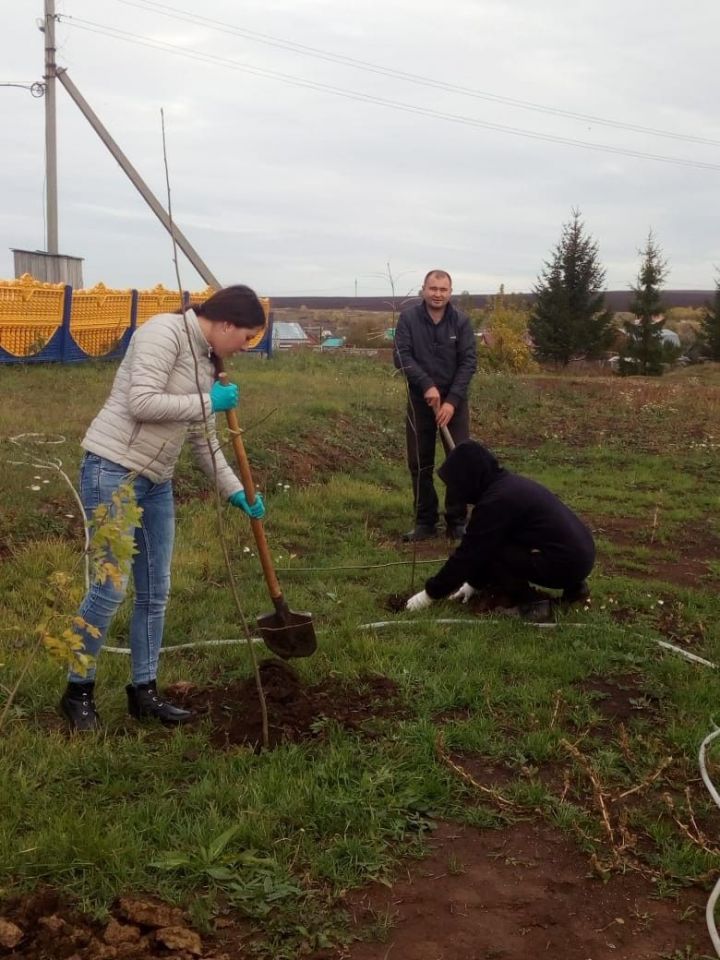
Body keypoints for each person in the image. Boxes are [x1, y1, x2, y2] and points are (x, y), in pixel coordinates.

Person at [59, 285, 268, 732]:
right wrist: (208, 401)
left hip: (156, 481)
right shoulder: (163, 333)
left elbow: (202, 438)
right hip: (113, 471)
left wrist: (236, 491)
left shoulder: (208, 360)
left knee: (155, 589)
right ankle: (78, 691)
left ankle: (144, 692)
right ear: (227, 323)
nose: (245, 347)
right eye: (246, 337)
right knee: (109, 588)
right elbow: (142, 402)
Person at [405, 442, 595, 612]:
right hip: (580, 556)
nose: (455, 492)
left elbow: (469, 555)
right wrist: (474, 584)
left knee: (492, 551)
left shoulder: (495, 502)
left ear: (470, 478)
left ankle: (530, 604)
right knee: (495, 543)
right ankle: (576, 589)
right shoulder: (507, 485)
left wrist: (429, 594)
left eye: (457, 485)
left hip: (566, 563)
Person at [393, 269, 477, 542]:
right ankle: (425, 521)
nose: (438, 294)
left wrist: (451, 402)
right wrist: (426, 385)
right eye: (433, 288)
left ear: (450, 292)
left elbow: (468, 363)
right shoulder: (408, 320)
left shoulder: (461, 322)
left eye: (443, 289)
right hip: (421, 402)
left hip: (454, 404)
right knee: (420, 462)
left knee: (459, 459)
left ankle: (457, 520)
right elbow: (401, 356)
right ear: (424, 290)